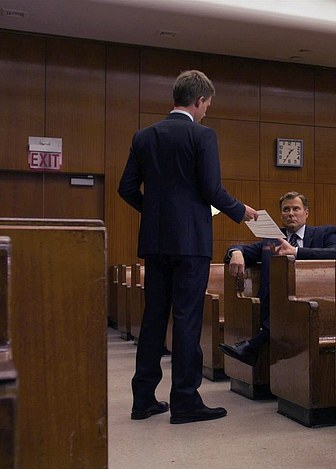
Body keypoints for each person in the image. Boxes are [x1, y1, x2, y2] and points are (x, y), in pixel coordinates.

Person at [119, 70, 258, 425]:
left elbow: (126, 188)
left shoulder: (144, 136)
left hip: (155, 242)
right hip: (191, 242)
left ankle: (143, 400)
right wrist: (241, 211)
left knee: (153, 317)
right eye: (207, 105)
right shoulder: (202, 135)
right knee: (186, 318)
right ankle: (184, 401)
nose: (207, 111)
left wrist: (154, 213)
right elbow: (211, 189)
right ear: (199, 100)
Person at [218, 191, 336, 366]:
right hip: (273, 303)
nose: (291, 214)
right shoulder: (272, 240)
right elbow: (241, 249)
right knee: (283, 306)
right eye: (286, 209)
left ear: (306, 213)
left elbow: (335, 254)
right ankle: (251, 347)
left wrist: (296, 252)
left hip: (312, 301)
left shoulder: (324, 233)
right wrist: (236, 252)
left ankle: (252, 347)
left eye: (296, 209)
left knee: (292, 308)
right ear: (281, 215)